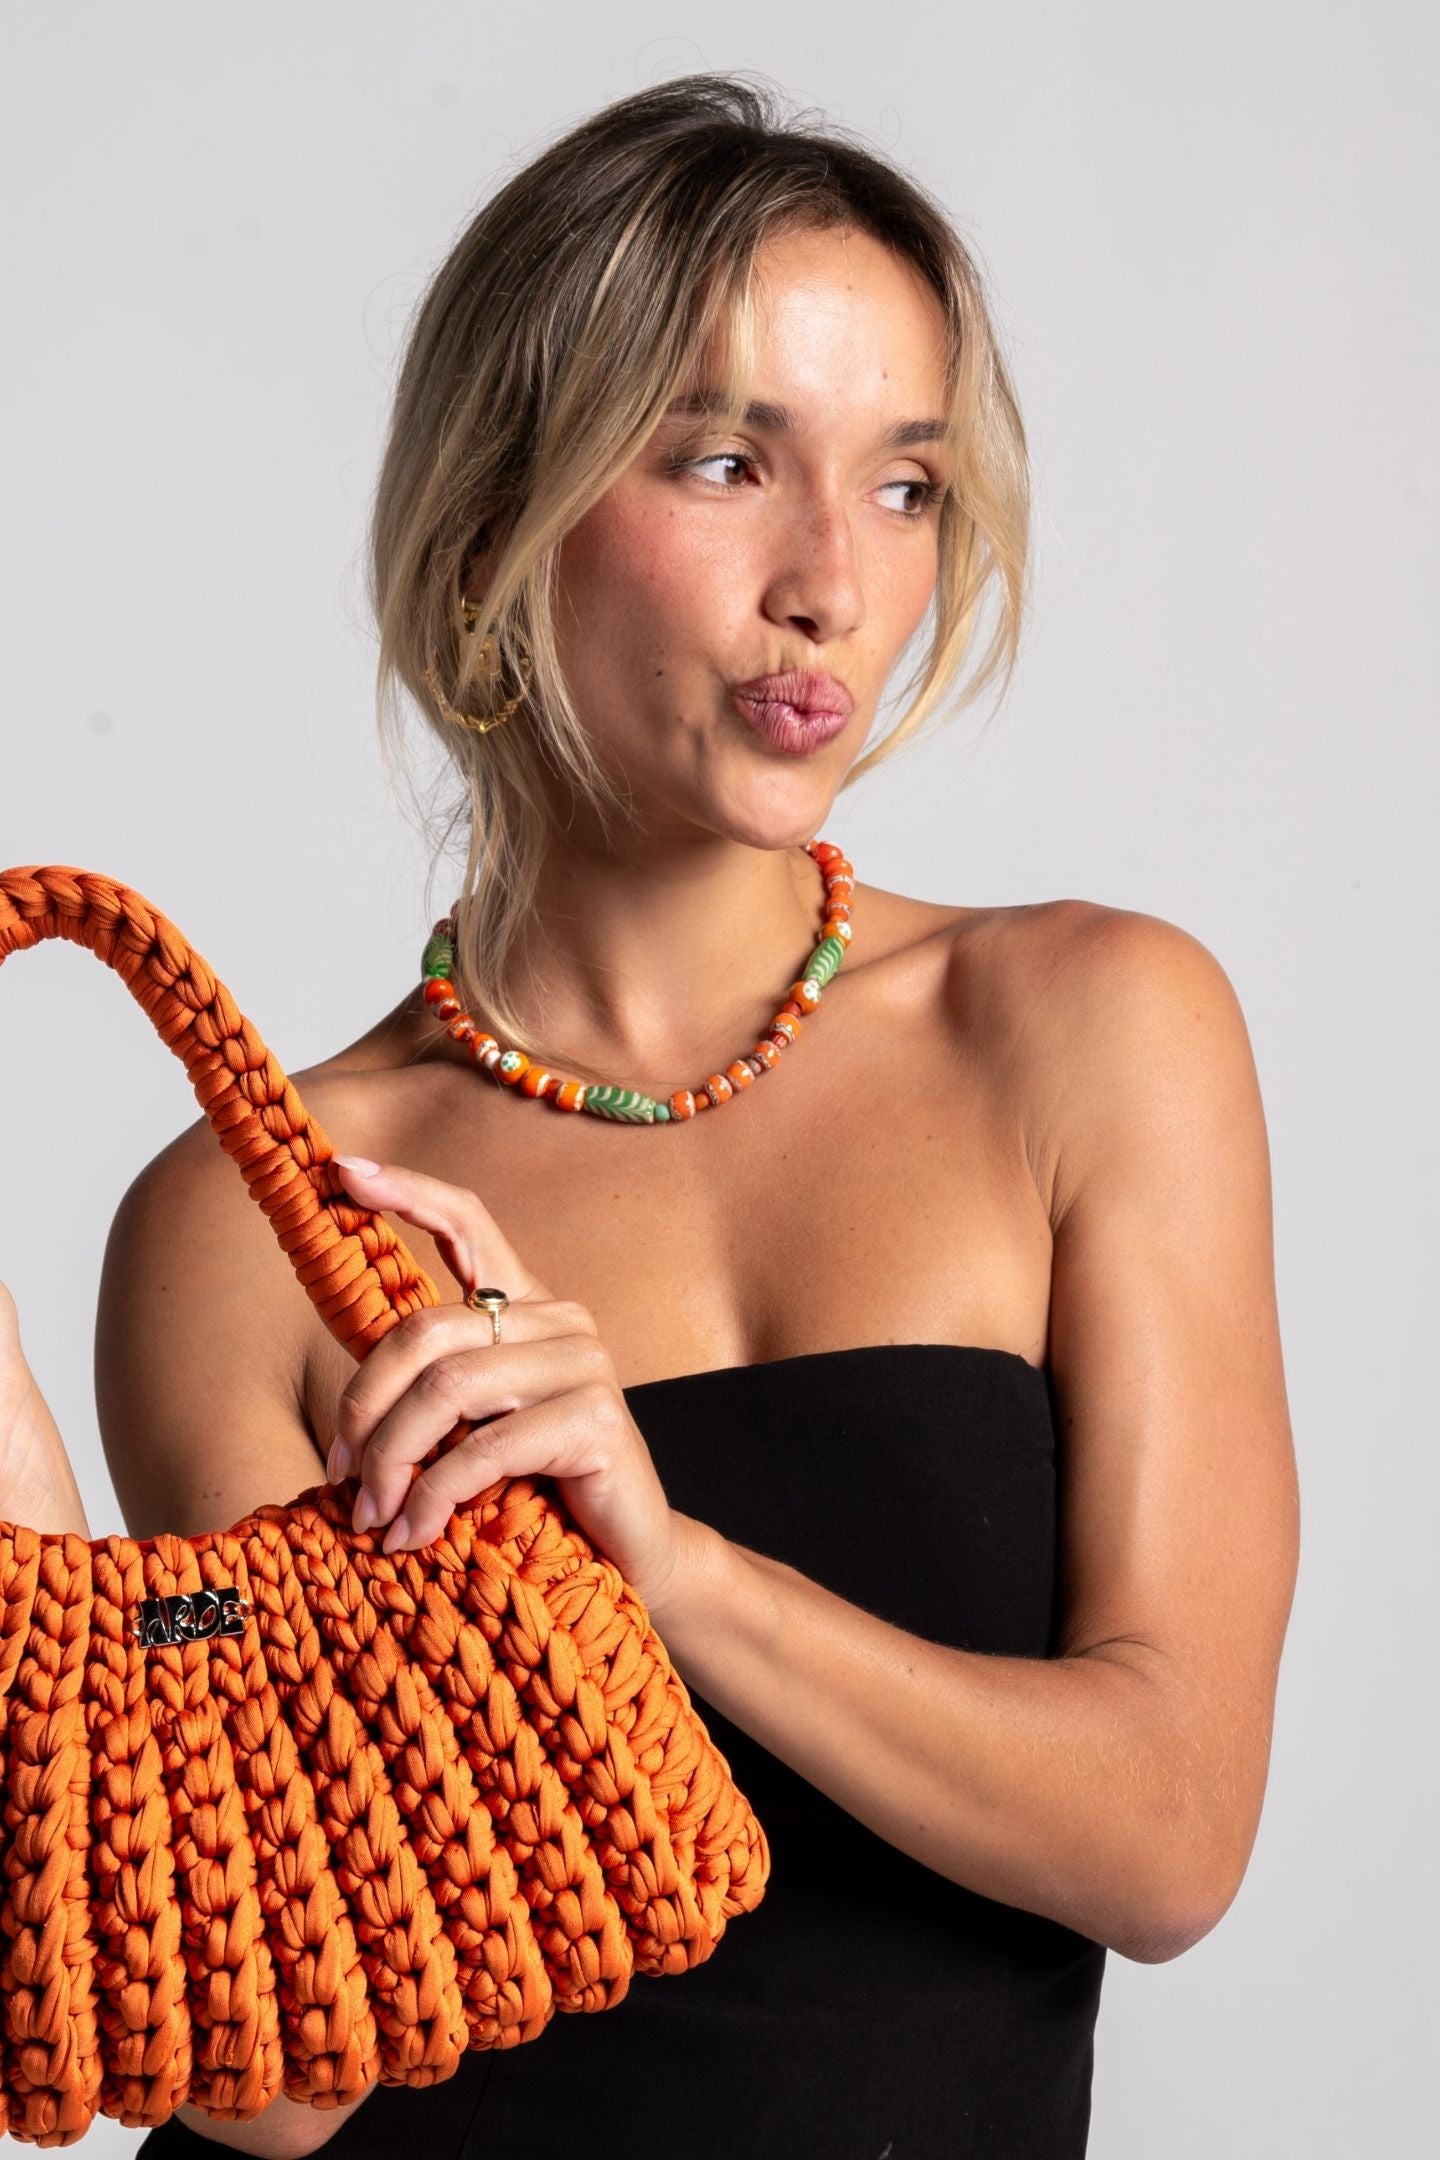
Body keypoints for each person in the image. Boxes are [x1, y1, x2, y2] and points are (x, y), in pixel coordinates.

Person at [0, 70, 1300, 2160]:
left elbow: (1167, 1836)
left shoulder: (1086, 1031)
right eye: (725, 461)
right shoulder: (253, 1211)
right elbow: (289, 2081)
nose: (834, 586)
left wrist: (667, 1576)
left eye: (905, 484)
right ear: (506, 505)